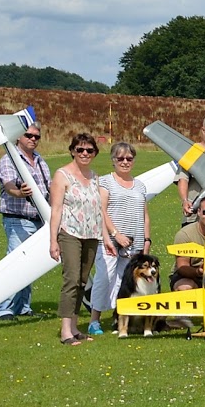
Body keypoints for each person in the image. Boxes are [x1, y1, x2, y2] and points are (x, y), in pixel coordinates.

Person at [47, 133, 123, 345]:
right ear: (72, 151)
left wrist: (106, 238)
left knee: (82, 281)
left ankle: (74, 327)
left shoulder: (94, 177)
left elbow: (99, 210)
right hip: (70, 233)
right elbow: (56, 210)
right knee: (71, 280)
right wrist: (53, 241)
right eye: (80, 149)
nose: (84, 154)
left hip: (91, 235)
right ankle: (65, 332)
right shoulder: (62, 175)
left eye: (89, 150)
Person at [87, 142, 151, 336]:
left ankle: (120, 319)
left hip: (135, 243)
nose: (125, 162)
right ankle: (94, 320)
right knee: (104, 279)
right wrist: (115, 234)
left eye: (129, 158)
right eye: (120, 158)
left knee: (125, 283)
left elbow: (145, 215)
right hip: (109, 241)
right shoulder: (106, 182)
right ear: (113, 160)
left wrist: (146, 241)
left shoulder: (140, 185)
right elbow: (101, 210)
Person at [0, 122, 51, 321]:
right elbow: (9, 185)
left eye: (37, 137)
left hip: (40, 219)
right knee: (15, 263)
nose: (33, 139)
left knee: (30, 264)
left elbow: (48, 187)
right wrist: (20, 193)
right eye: (29, 135)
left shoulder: (40, 160)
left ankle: (23, 307)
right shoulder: (9, 160)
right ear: (19, 137)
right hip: (18, 218)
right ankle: (4, 309)